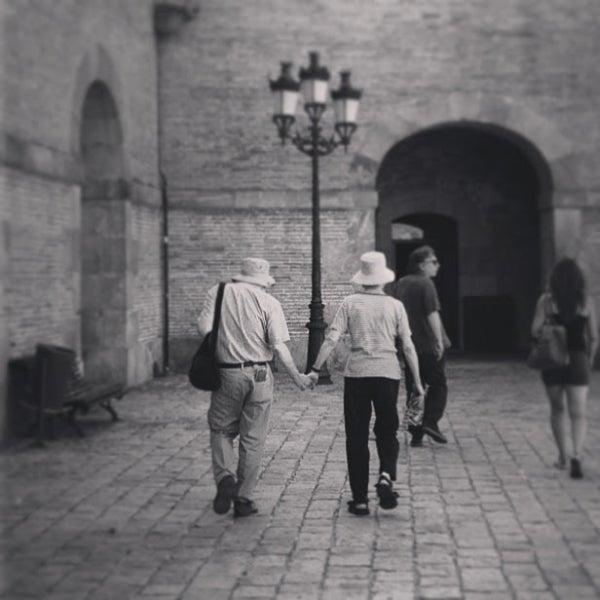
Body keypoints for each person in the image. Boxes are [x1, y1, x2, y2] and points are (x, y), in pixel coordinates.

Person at [307, 251, 424, 516]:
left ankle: (359, 499)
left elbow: (331, 339)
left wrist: (316, 369)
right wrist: (416, 382)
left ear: (363, 277)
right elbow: (407, 346)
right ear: (383, 278)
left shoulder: (350, 303)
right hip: (388, 375)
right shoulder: (395, 306)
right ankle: (385, 476)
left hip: (357, 376)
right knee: (387, 430)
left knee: (357, 436)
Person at [197, 257, 312, 517]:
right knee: (253, 438)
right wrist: (297, 377)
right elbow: (279, 346)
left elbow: (203, 327)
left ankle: (225, 477)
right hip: (260, 373)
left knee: (221, 429)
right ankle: (243, 499)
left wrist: (223, 342)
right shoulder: (270, 302)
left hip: (226, 372)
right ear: (264, 281)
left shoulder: (219, 292)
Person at [530, 257, 598, 479]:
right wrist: (588, 360)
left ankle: (562, 457)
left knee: (557, 408)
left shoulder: (547, 301)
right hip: (577, 359)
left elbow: (535, 330)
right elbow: (594, 337)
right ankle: (577, 455)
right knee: (578, 412)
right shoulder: (585, 301)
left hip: (553, 360)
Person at [385, 245, 450, 447]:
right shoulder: (426, 284)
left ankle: (416, 432)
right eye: (433, 262)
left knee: (415, 386)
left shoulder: (401, 283)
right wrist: (439, 341)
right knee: (438, 384)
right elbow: (432, 314)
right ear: (422, 265)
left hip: (408, 345)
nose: (437, 265)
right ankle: (430, 421)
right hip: (427, 344)